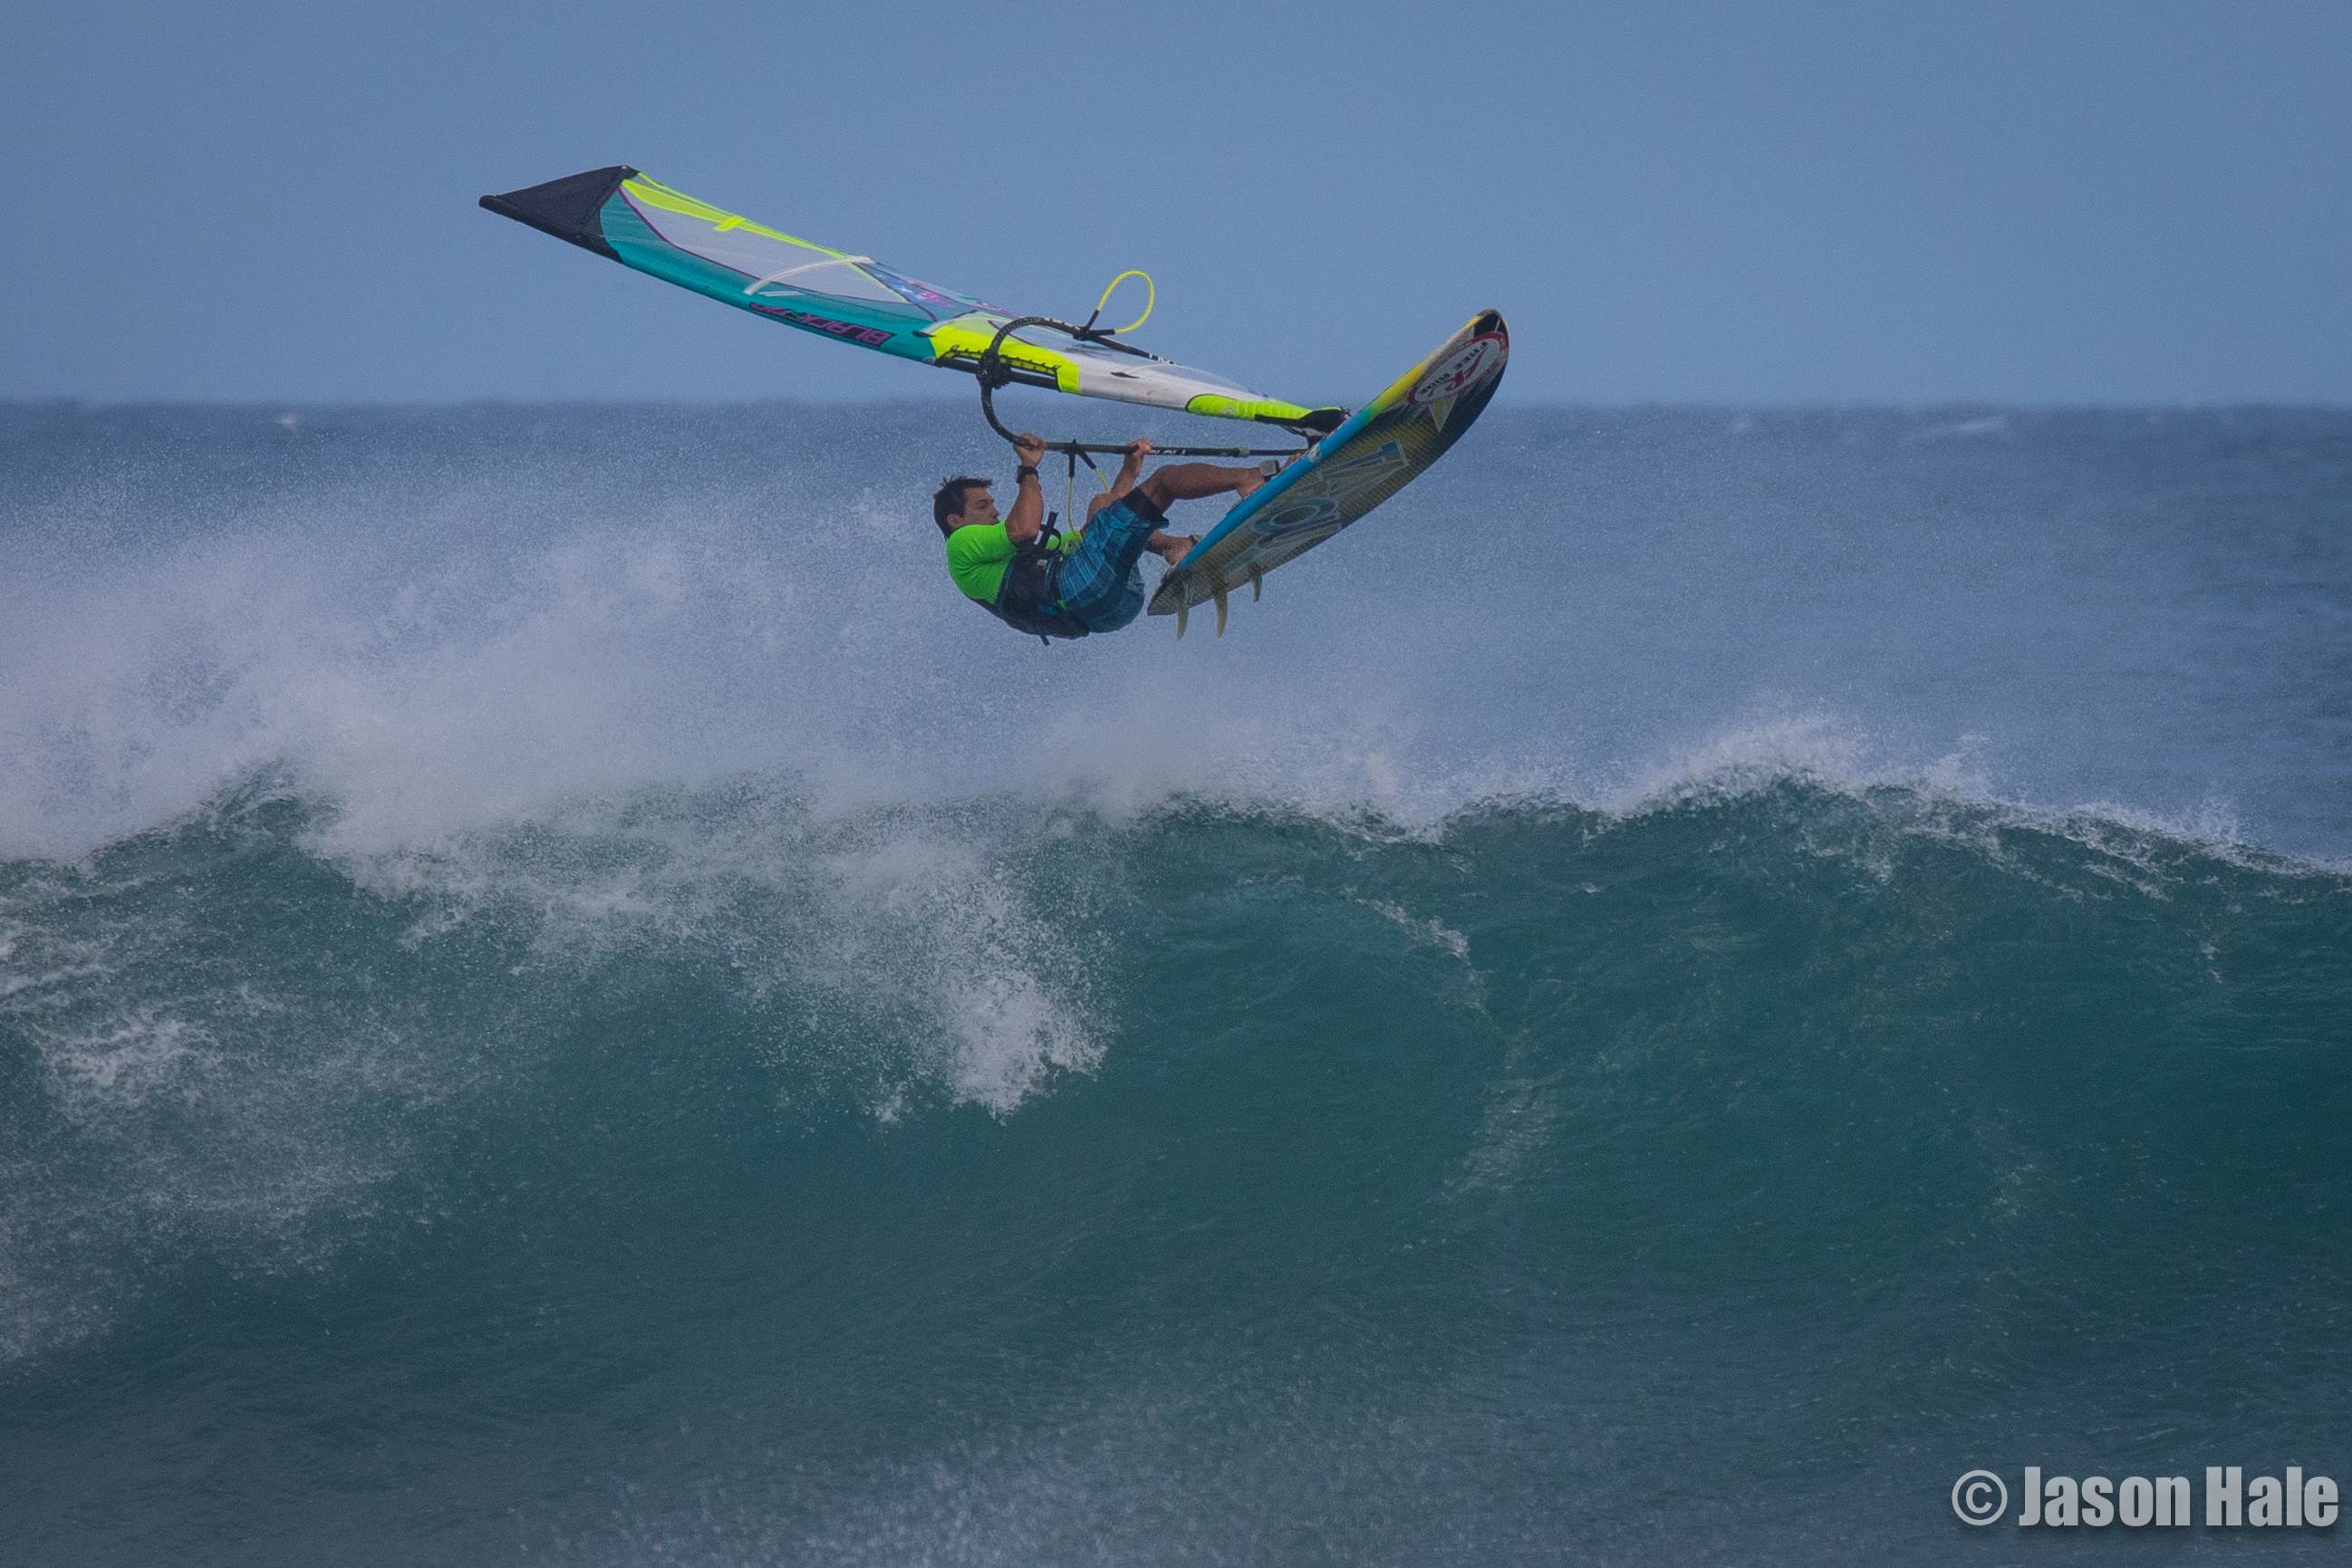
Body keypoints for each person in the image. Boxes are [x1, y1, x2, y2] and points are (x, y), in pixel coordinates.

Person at [935, 433, 1278, 641]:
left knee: (1104, 511)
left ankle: (1175, 548)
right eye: (983, 505)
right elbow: (1023, 529)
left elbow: (1100, 535)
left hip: (1109, 611)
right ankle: (1247, 479)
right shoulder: (961, 545)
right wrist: (1028, 468)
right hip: (1076, 591)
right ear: (955, 520)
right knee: (1163, 481)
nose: (995, 511)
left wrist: (1129, 472)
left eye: (992, 503)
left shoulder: (1001, 558)